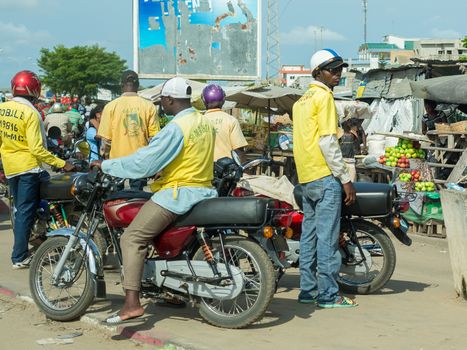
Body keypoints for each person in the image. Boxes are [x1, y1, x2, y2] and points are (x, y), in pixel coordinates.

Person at [91, 77, 217, 324]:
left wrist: (106, 165)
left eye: (164, 101)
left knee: (132, 237)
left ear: (170, 100)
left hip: (178, 194)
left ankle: (131, 303)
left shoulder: (175, 127)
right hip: (202, 189)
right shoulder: (202, 121)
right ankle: (171, 291)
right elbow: (187, 155)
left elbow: (143, 162)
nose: (162, 106)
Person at [292, 49, 357, 308]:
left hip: (306, 177)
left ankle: (308, 291)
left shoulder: (301, 102)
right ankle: (329, 295)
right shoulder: (324, 98)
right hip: (324, 175)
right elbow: (328, 142)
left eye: (340, 69)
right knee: (328, 238)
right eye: (333, 69)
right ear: (318, 72)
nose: (338, 74)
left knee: (308, 237)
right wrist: (345, 179)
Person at [0, 70, 74, 269]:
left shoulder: (2, 108)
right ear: (34, 89)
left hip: (10, 168)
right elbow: (37, 149)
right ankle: (20, 257)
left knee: (20, 209)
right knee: (25, 211)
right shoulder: (31, 113)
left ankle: (39, 232)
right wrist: (62, 164)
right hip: (28, 168)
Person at [97, 70, 160, 190]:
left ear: (121, 85)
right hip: (140, 161)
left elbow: (106, 140)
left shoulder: (111, 106)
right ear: (138, 85)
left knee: (116, 198)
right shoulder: (148, 106)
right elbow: (154, 138)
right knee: (137, 198)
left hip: (117, 162)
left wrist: (105, 157)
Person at [201, 84, 248, 161]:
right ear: (223, 100)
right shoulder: (231, 120)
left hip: (204, 169)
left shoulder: (198, 121)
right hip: (226, 169)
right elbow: (239, 150)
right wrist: (245, 170)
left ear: (204, 101)